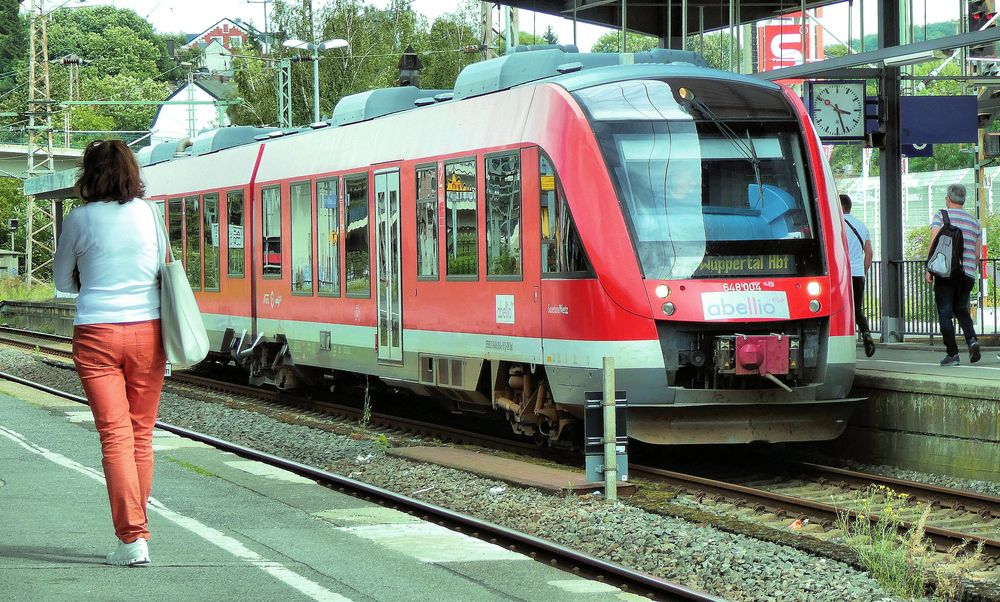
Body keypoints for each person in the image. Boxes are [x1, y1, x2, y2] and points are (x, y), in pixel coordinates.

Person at [53, 139, 165, 566]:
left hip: (97, 334)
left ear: (88, 175)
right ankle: (136, 537)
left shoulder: (79, 220)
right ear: (131, 173)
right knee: (140, 436)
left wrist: (91, 274)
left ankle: (132, 539)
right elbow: (159, 271)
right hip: (148, 333)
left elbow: (63, 282)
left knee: (115, 436)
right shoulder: (150, 214)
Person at [925, 183, 982, 366]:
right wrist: (970, 271)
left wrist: (929, 269)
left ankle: (953, 354)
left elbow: (934, 243)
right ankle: (972, 340)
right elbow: (977, 254)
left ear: (948, 198)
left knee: (945, 312)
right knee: (961, 310)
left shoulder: (941, 216)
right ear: (963, 200)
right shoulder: (974, 222)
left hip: (946, 272)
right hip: (967, 274)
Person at [840, 194, 875, 357]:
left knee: (842, 309)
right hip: (858, 274)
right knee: (857, 309)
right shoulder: (861, 226)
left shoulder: (837, 225)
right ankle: (866, 333)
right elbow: (869, 253)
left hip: (842, 276)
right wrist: (864, 271)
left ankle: (844, 343)